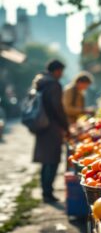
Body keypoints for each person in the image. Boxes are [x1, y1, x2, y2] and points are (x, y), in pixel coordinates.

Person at [32, 60, 69, 203]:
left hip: (41, 124)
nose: (61, 74)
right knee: (52, 160)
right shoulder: (54, 84)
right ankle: (48, 193)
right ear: (57, 71)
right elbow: (57, 109)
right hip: (52, 126)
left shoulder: (40, 82)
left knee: (45, 161)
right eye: (61, 71)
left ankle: (45, 191)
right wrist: (65, 126)